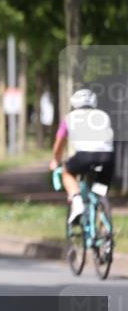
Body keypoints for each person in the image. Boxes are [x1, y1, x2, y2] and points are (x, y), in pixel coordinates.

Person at [49, 88, 115, 224]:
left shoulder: (69, 118)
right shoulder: (104, 116)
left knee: (67, 172)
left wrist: (56, 160)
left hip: (84, 156)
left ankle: (77, 200)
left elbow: (59, 144)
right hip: (107, 158)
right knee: (99, 192)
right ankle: (105, 231)